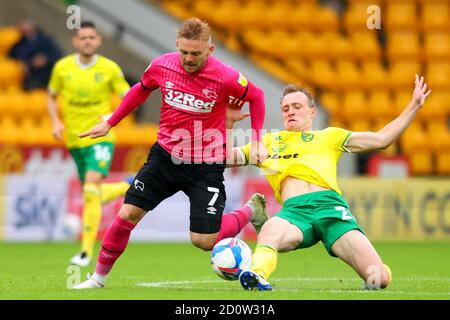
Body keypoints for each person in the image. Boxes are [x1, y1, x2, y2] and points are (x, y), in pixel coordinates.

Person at [73, 17, 268, 289]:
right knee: (128, 214)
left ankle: (251, 211)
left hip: (205, 166)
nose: (188, 59)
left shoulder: (225, 76)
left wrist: (257, 141)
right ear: (177, 45)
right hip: (164, 158)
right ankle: (97, 279)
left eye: (196, 54)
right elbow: (141, 90)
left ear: (209, 51)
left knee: (203, 241)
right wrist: (110, 122)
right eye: (184, 52)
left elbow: (256, 96)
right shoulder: (162, 65)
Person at [227, 75, 431, 291]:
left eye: (297, 106)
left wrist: (414, 106)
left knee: (378, 279)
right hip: (295, 212)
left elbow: (382, 140)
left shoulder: (329, 137)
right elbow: (225, 158)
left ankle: (378, 270)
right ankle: (257, 276)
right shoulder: (268, 142)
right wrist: (229, 122)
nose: (290, 111)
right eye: (286, 108)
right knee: (270, 230)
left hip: (331, 209)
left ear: (312, 112)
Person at [47, 21, 132, 267]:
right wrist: (55, 122)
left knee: (91, 185)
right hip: (75, 139)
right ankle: (126, 187)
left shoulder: (109, 68)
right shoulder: (62, 68)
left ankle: (85, 252)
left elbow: (128, 96)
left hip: (101, 137)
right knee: (91, 192)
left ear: (98, 41)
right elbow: (51, 96)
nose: (87, 41)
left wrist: (113, 117)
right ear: (75, 41)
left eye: (91, 37)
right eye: (82, 37)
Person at [9, 18, 62, 90]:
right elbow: (13, 53)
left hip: (43, 75)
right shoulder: (21, 42)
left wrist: (45, 59)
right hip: (26, 74)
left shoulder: (45, 40)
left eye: (25, 25)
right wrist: (22, 62)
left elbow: (57, 54)